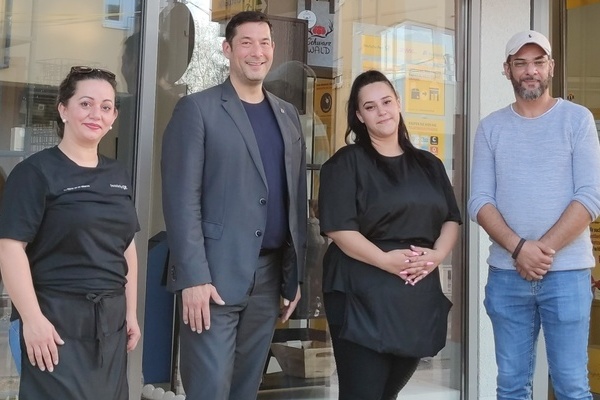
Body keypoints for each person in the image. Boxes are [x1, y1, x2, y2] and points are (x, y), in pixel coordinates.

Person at [161, 11, 307, 400]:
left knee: (246, 389)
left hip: (269, 276)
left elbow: (295, 198)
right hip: (213, 276)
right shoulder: (197, 110)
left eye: (264, 43)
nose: (256, 52)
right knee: (209, 389)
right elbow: (180, 200)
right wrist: (193, 277)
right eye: (246, 42)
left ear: (273, 49)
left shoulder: (287, 115)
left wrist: (294, 275)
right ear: (227, 49)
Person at [468, 30, 600, 399]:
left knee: (572, 386)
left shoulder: (577, 120)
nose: (530, 71)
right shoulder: (490, 127)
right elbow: (479, 201)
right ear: (507, 70)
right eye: (521, 63)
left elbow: (589, 197)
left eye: (538, 61)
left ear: (551, 67)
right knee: (511, 387)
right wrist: (518, 249)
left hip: (568, 275)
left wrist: (539, 251)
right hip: (507, 277)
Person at [318, 70, 461, 400]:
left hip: (414, 295)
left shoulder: (429, 164)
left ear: (398, 103)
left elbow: (451, 219)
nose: (381, 111)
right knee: (362, 393)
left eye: (386, 102)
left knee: (387, 393)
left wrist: (437, 255)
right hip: (361, 290)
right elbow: (338, 228)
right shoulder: (346, 163)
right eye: (370, 106)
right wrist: (385, 260)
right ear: (359, 116)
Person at [0, 66, 141, 399]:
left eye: (106, 107)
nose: (97, 114)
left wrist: (131, 313)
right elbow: (9, 249)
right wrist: (32, 321)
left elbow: (126, 247)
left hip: (110, 323)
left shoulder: (117, 173)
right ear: (63, 109)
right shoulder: (35, 173)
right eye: (86, 103)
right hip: (55, 322)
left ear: (114, 116)